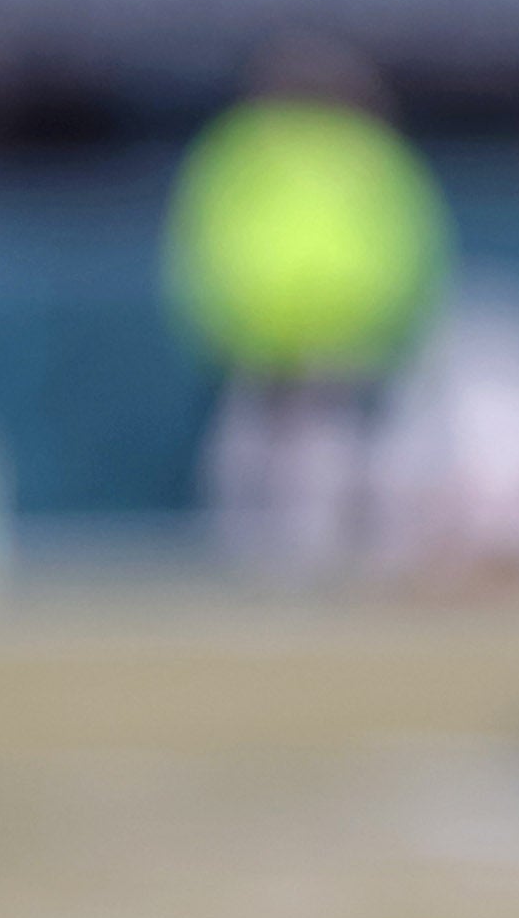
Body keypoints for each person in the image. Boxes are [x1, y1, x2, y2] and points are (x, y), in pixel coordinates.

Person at [164, 36, 448, 580]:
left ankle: (321, 570)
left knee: (327, 467)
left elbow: (406, 245)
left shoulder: (362, 151)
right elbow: (205, 243)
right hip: (266, 345)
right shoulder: (248, 149)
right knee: (254, 467)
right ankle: (259, 570)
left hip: (337, 344)